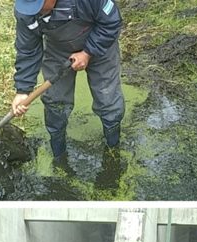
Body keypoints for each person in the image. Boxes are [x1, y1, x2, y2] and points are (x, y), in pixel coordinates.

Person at [12, 0, 125, 162]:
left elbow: (112, 22)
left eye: (39, 6)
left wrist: (87, 52)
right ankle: (59, 154)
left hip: (100, 44)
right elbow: (28, 50)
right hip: (58, 50)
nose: (35, 11)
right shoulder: (26, 12)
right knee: (55, 102)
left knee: (108, 100)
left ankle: (113, 149)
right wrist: (22, 90)